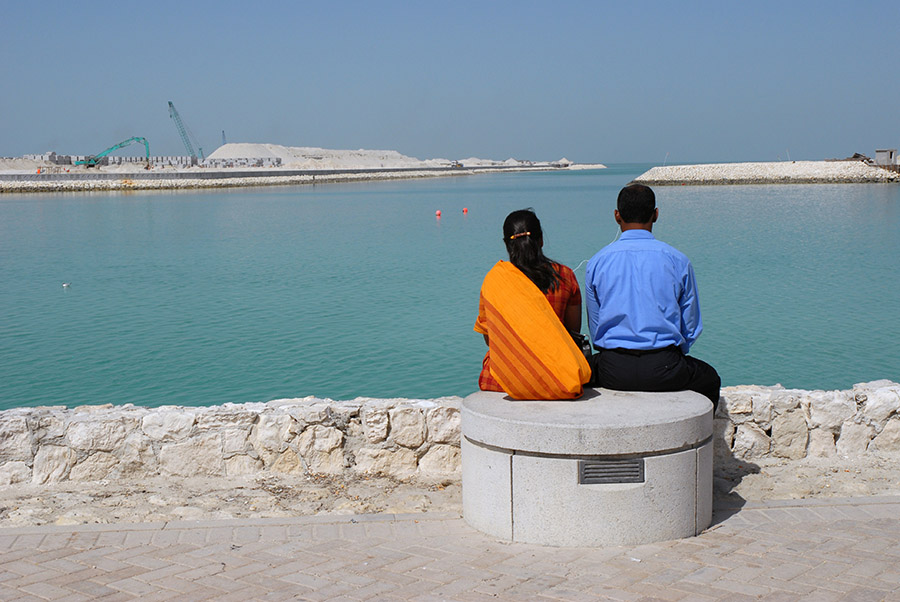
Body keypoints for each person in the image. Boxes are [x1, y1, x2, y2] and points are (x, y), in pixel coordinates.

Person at [585, 184, 720, 408]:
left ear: (617, 216)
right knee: (710, 378)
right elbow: (691, 326)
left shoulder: (598, 262)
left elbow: (595, 324)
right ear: (655, 214)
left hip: (612, 369)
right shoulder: (677, 260)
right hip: (665, 367)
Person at [474, 209, 589, 399]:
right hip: (557, 378)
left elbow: (490, 339)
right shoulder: (565, 276)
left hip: (503, 381)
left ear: (507, 245)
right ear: (541, 239)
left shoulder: (496, 279)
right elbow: (571, 334)